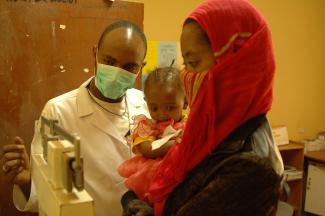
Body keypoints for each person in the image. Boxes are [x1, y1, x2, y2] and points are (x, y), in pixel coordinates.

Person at [121, 0, 284, 215]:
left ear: (236, 65)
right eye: (185, 65)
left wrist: (132, 202)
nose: (186, 77)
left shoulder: (249, 165)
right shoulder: (213, 130)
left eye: (194, 64)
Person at [1, 20, 149, 216]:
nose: (115, 73)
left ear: (141, 67)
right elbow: (45, 197)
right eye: (110, 62)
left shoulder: (148, 106)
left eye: (129, 67)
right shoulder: (58, 112)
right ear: (95, 53)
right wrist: (28, 182)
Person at [118, 67, 187, 203]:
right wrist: (178, 144)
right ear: (146, 102)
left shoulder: (190, 125)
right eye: (154, 108)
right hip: (148, 180)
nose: (161, 114)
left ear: (185, 102)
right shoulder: (145, 126)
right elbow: (147, 150)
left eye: (170, 107)